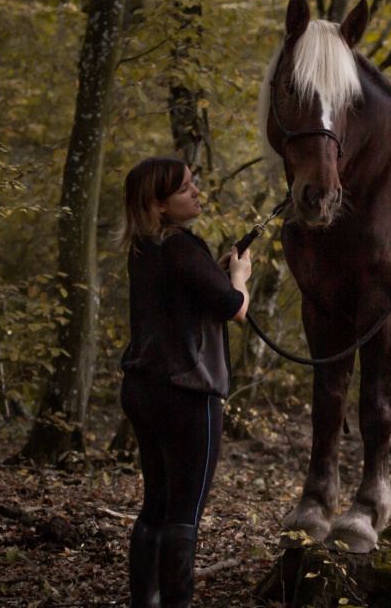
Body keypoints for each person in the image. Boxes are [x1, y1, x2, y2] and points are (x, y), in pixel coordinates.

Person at [117, 157, 252, 607]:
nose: (196, 193)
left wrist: (214, 271)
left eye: (194, 184)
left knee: (155, 504)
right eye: (185, 190)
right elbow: (234, 307)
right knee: (184, 514)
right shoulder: (180, 247)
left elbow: (186, 297)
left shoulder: (143, 248)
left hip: (141, 389)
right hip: (186, 394)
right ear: (158, 205)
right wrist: (239, 276)